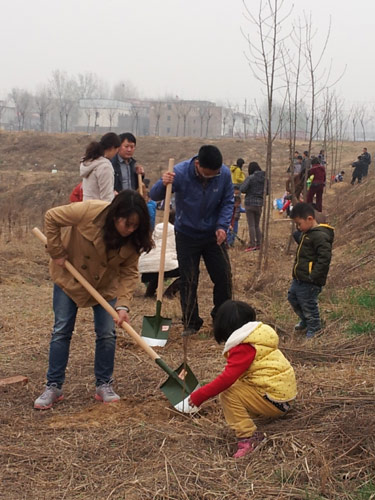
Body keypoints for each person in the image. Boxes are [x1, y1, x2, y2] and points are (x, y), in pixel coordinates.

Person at [34, 190, 153, 410]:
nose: (130, 230)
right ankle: (53, 386)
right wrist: (56, 251)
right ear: (116, 215)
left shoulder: (134, 239)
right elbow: (52, 217)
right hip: (70, 278)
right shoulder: (89, 211)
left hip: (105, 287)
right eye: (127, 224)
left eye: (136, 226)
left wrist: (124, 305)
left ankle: (104, 384)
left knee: (107, 334)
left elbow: (129, 273)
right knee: (61, 330)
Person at [189, 300, 297, 458]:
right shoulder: (259, 338)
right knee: (240, 383)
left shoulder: (244, 347)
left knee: (229, 393)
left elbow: (227, 379)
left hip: (275, 401)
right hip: (284, 398)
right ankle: (256, 415)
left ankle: (248, 438)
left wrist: (200, 395)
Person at [149, 145, 233, 336]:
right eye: (208, 174)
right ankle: (191, 322)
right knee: (189, 279)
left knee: (223, 277)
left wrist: (222, 225)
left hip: (213, 235)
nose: (213, 177)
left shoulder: (224, 174)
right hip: (186, 234)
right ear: (197, 165)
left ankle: (222, 319)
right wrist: (163, 183)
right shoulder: (179, 172)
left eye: (216, 174)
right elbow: (154, 196)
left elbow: (228, 201)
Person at [287, 203, 334, 339]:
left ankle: (314, 328)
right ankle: (306, 320)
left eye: (299, 223)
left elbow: (324, 259)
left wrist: (314, 276)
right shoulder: (307, 233)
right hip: (299, 278)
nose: (298, 227)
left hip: (310, 280)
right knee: (293, 298)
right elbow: (300, 238)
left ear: (309, 219)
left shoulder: (320, 236)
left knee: (308, 304)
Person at [139, 209, 181, 298]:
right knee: (187, 271)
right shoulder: (176, 231)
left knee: (158, 266)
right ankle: (169, 293)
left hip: (146, 267)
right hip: (162, 265)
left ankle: (149, 292)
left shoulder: (158, 227)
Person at [80, 132, 121, 202]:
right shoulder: (105, 167)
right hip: (99, 210)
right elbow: (107, 198)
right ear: (112, 148)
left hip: (87, 208)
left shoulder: (90, 162)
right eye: (117, 150)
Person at [240, 162, 266, 252]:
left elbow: (242, 189)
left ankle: (252, 244)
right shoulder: (265, 178)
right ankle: (259, 243)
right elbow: (267, 191)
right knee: (257, 225)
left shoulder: (250, 178)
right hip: (259, 204)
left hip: (250, 203)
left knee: (251, 225)